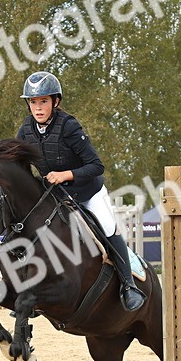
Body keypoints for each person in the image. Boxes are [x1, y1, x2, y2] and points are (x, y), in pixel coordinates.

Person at [15, 71, 144, 311]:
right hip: (55, 197)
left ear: (55, 102)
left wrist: (65, 175)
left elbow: (96, 166)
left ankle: (129, 286)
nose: (38, 107)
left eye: (43, 101)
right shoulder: (26, 129)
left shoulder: (69, 126)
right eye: (33, 102)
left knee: (107, 227)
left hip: (88, 192)